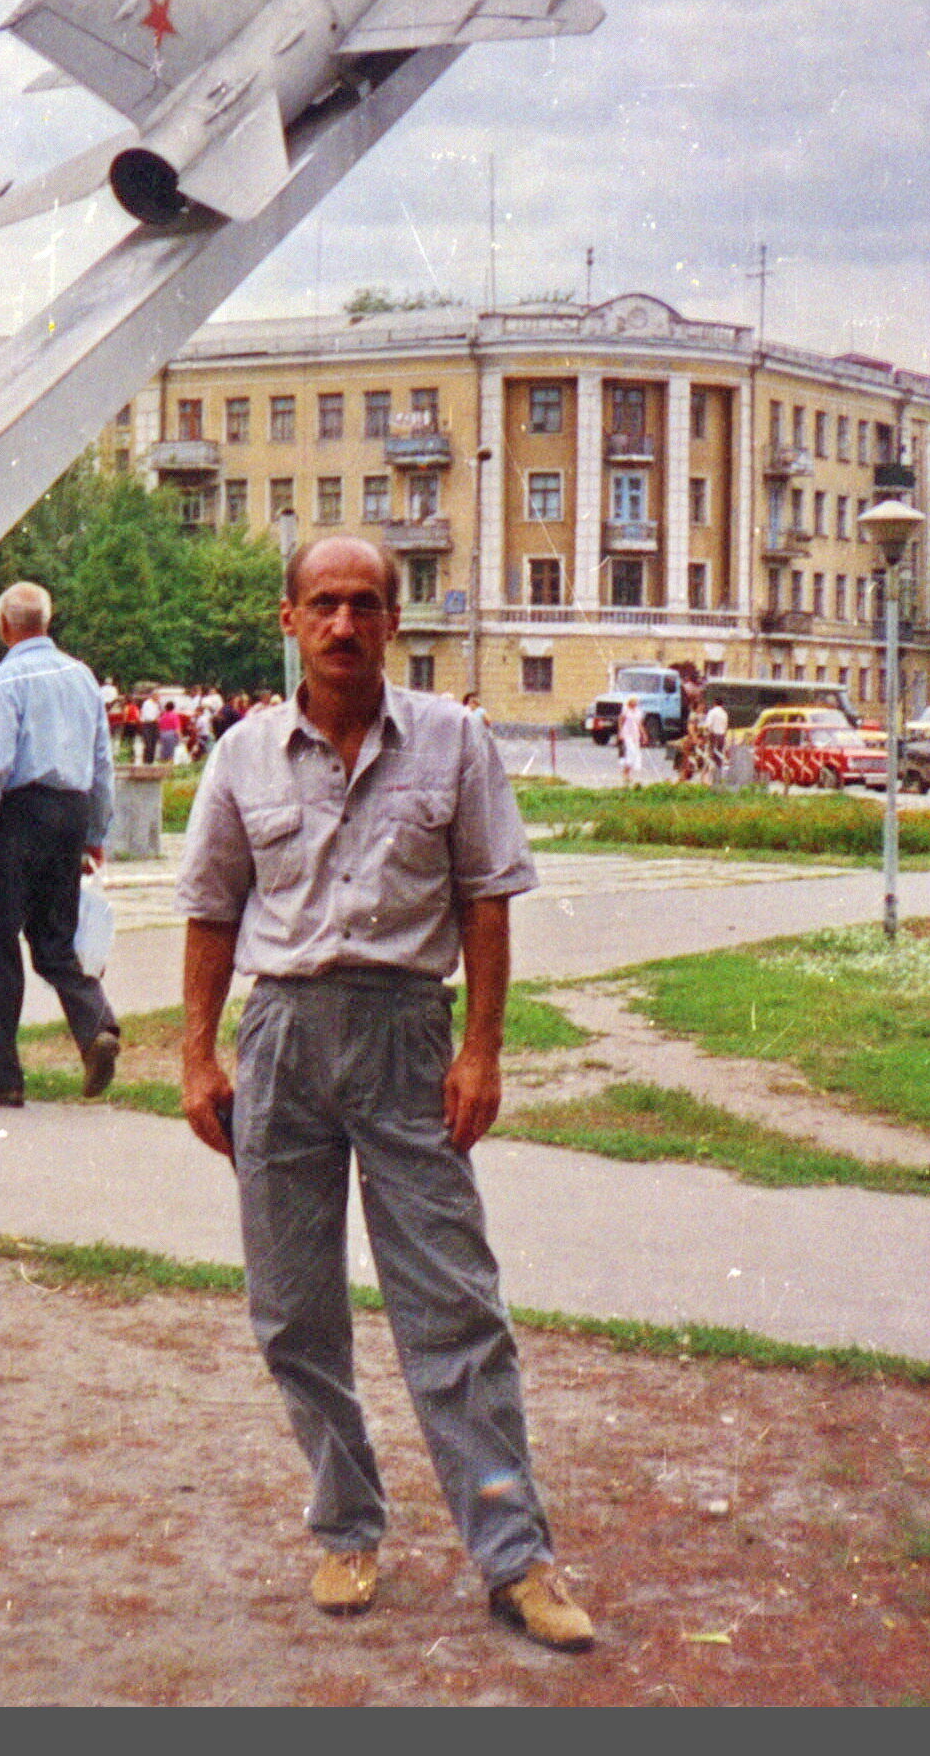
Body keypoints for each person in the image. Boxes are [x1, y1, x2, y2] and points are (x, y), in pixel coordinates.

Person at [176, 534, 595, 1655]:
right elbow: (211, 908)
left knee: (454, 1307)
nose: (343, 624)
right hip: (281, 1038)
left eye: (364, 604)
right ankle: (346, 1523)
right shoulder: (242, 753)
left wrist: (482, 1049)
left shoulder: (454, 740)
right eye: (323, 603)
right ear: (289, 619)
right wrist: (197, 1056)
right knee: (291, 1308)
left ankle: (516, 1558)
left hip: (409, 1037)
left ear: (393, 621)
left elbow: (487, 900)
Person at [0, 581, 121, 1106]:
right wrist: (95, 832)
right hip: (69, 814)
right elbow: (102, 763)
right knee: (56, 939)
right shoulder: (82, 677)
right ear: (47, 623)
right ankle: (95, 1025)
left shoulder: (5, 680)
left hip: (16, 815)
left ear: (4, 626)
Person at [618, 695, 645, 787]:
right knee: (630, 752)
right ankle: (625, 773)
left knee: (635, 754)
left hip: (635, 735)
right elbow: (620, 721)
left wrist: (643, 734)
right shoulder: (625, 710)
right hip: (627, 734)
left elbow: (639, 724)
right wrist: (620, 732)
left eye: (636, 701)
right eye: (633, 701)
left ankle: (627, 773)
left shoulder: (638, 712)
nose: (635, 703)